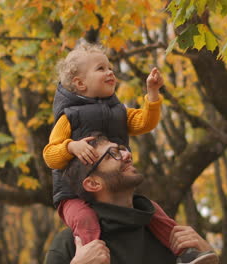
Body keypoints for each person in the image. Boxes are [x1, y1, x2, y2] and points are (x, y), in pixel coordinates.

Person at [42, 43, 211, 263]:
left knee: (157, 213)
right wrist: (71, 146)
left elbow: (145, 122)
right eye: (101, 68)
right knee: (84, 219)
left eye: (110, 67)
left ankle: (187, 254)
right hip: (71, 195)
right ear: (80, 83)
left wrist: (152, 94)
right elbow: (50, 155)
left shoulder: (118, 111)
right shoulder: (69, 117)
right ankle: (94, 251)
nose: (110, 72)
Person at [44, 134, 219, 264]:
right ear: (93, 183)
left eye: (122, 149)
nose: (127, 155)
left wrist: (209, 257)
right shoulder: (71, 245)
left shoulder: (168, 237)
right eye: (112, 154)